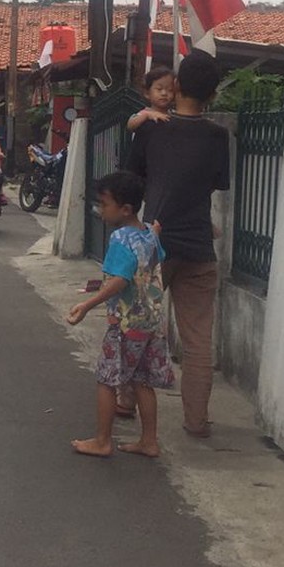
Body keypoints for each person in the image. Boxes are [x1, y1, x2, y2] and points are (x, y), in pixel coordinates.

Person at [126, 48, 230, 437]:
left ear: (177, 85)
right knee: (198, 341)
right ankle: (196, 420)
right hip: (200, 248)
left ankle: (124, 400)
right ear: (213, 95)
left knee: (137, 324)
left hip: (155, 243)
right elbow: (215, 184)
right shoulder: (219, 136)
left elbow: (132, 179)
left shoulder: (152, 128)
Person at [67, 170, 174, 459]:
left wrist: (88, 304)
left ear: (125, 209)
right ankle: (149, 441)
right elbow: (156, 260)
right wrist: (155, 234)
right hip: (151, 321)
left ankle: (102, 440)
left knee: (106, 378)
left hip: (124, 324)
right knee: (142, 381)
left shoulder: (120, 239)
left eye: (104, 204)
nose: (100, 210)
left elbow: (119, 280)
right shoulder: (148, 234)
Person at [126, 65, 175, 132]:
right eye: (159, 89)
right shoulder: (145, 113)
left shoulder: (173, 114)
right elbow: (130, 125)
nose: (164, 93)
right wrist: (147, 115)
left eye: (170, 90)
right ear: (147, 93)